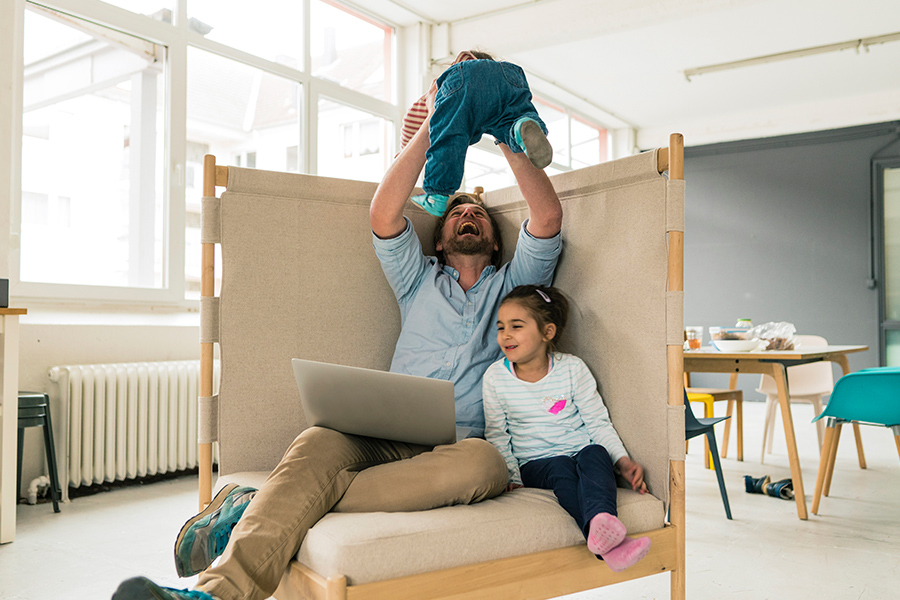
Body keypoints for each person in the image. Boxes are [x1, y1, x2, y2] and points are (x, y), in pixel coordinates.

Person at [112, 66, 563, 600]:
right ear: (438, 240)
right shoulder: (417, 279)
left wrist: (504, 129)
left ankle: (255, 504)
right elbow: (384, 211)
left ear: (495, 240)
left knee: (486, 464)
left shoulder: (514, 288)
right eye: (457, 211)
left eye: (480, 214)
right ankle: (214, 595)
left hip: (458, 446)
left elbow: (547, 215)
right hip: (377, 438)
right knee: (316, 441)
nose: (469, 215)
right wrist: (440, 121)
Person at [483, 284, 652, 573]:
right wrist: (512, 477)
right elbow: (498, 435)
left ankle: (602, 522)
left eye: (516, 326)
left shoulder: (573, 369)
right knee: (561, 466)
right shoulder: (496, 378)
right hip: (535, 463)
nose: (505, 335)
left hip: (580, 451)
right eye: (501, 327)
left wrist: (622, 461)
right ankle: (605, 541)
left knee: (596, 453)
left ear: (547, 332)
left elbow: (598, 422)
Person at [402, 50, 553, 217]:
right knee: (514, 120)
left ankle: (437, 194)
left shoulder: (432, 95)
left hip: (466, 81)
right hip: (510, 77)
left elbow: (413, 128)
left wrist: (404, 148)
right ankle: (521, 126)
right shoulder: (495, 73)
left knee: (448, 136)